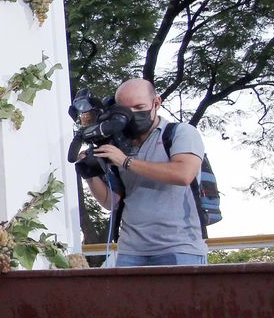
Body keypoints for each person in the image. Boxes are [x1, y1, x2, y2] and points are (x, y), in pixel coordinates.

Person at [82, 78, 207, 266]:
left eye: (139, 107)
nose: (132, 114)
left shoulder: (181, 133)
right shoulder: (118, 144)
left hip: (179, 247)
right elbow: (111, 202)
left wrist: (125, 161)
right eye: (124, 110)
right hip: (130, 250)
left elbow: (183, 174)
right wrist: (90, 176)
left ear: (156, 103)